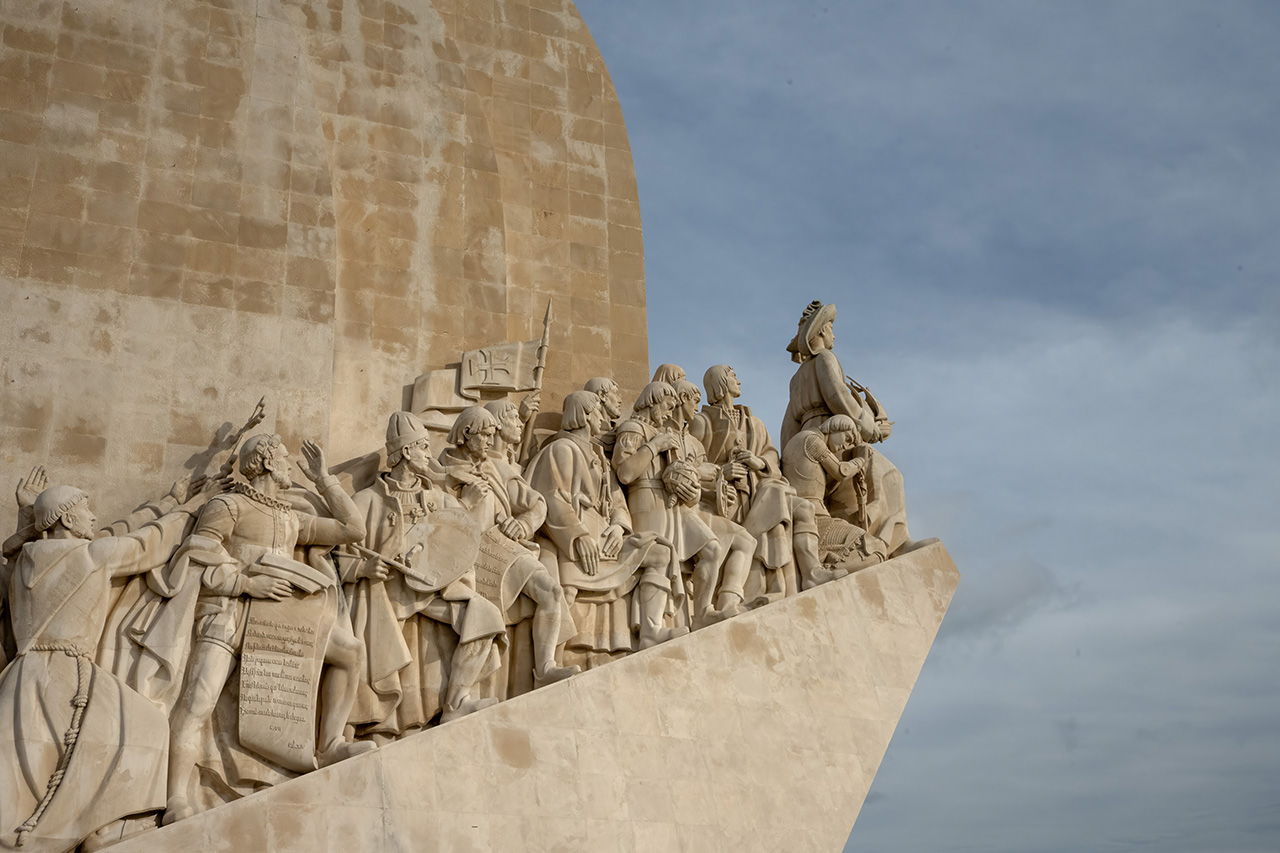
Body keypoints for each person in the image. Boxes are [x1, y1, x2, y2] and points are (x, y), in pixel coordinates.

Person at [163, 434, 373, 824]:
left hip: (279, 619)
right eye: (283, 457)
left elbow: (352, 529)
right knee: (197, 701)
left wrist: (324, 479)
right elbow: (196, 553)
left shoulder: (290, 517)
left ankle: (329, 744)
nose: (289, 464)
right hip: (231, 612)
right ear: (265, 462)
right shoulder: (228, 505)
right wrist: (245, 582)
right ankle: (175, 798)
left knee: (350, 651)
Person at [0, 480, 203, 853]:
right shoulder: (91, 556)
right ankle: (93, 828)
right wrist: (191, 506)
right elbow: (148, 543)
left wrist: (28, 521)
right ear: (67, 518)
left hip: (21, 674)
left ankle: (90, 827)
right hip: (68, 672)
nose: (93, 516)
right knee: (147, 726)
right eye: (86, 509)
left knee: (31, 764)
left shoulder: (21, 564)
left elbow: (117, 531)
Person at [343, 413, 507, 743]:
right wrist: (361, 569)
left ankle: (456, 702)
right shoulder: (367, 500)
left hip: (432, 589)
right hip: (390, 591)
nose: (429, 456)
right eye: (423, 448)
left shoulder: (439, 499)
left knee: (485, 615)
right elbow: (337, 551)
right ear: (405, 452)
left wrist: (467, 507)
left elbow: (462, 544)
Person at [524, 391, 678, 668]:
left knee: (660, 553)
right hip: (574, 541)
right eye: (597, 411)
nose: (603, 418)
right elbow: (550, 497)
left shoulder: (599, 457)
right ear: (584, 415)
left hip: (605, 539)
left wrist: (619, 527)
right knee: (564, 592)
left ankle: (651, 630)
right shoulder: (562, 449)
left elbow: (617, 500)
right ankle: (549, 665)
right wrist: (578, 536)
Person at [437, 407, 578, 696]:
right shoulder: (441, 472)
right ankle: (460, 698)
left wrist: (523, 524)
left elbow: (536, 503)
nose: (491, 441)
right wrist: (467, 504)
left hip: (501, 544)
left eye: (493, 435)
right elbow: (439, 525)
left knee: (551, 591)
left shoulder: (494, 468)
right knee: (482, 620)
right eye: (485, 435)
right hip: (470, 554)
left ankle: (546, 668)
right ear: (467, 434)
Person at [690, 364, 844, 596]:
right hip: (729, 498)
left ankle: (812, 572)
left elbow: (771, 455)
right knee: (779, 500)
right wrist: (722, 472)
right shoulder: (702, 422)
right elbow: (692, 462)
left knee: (803, 507)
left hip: (760, 488)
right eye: (733, 376)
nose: (738, 381)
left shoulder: (755, 422)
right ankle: (769, 586)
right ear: (720, 383)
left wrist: (759, 462)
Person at [780, 301, 910, 554]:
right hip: (835, 433)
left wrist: (790, 461)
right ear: (821, 330)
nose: (834, 334)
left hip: (808, 441)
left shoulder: (795, 379)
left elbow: (789, 426)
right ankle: (889, 542)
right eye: (831, 327)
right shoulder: (825, 358)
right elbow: (838, 396)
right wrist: (872, 430)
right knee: (888, 475)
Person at [613, 382, 733, 632]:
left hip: (672, 506)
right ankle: (653, 627)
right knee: (662, 557)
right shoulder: (632, 429)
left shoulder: (664, 434)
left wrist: (692, 490)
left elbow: (678, 477)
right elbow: (625, 473)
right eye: (668, 407)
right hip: (645, 500)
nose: (670, 413)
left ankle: (702, 612)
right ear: (653, 402)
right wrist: (654, 446)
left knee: (712, 548)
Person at [780, 415, 888, 581]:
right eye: (847, 438)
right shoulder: (812, 440)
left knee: (874, 549)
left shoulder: (804, 441)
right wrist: (860, 459)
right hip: (815, 519)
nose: (845, 445)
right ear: (835, 427)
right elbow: (841, 471)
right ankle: (824, 570)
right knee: (876, 549)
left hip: (812, 515)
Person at [583, 377, 625, 456]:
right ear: (602, 395)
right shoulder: (583, 437)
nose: (620, 400)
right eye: (616, 393)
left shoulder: (623, 433)